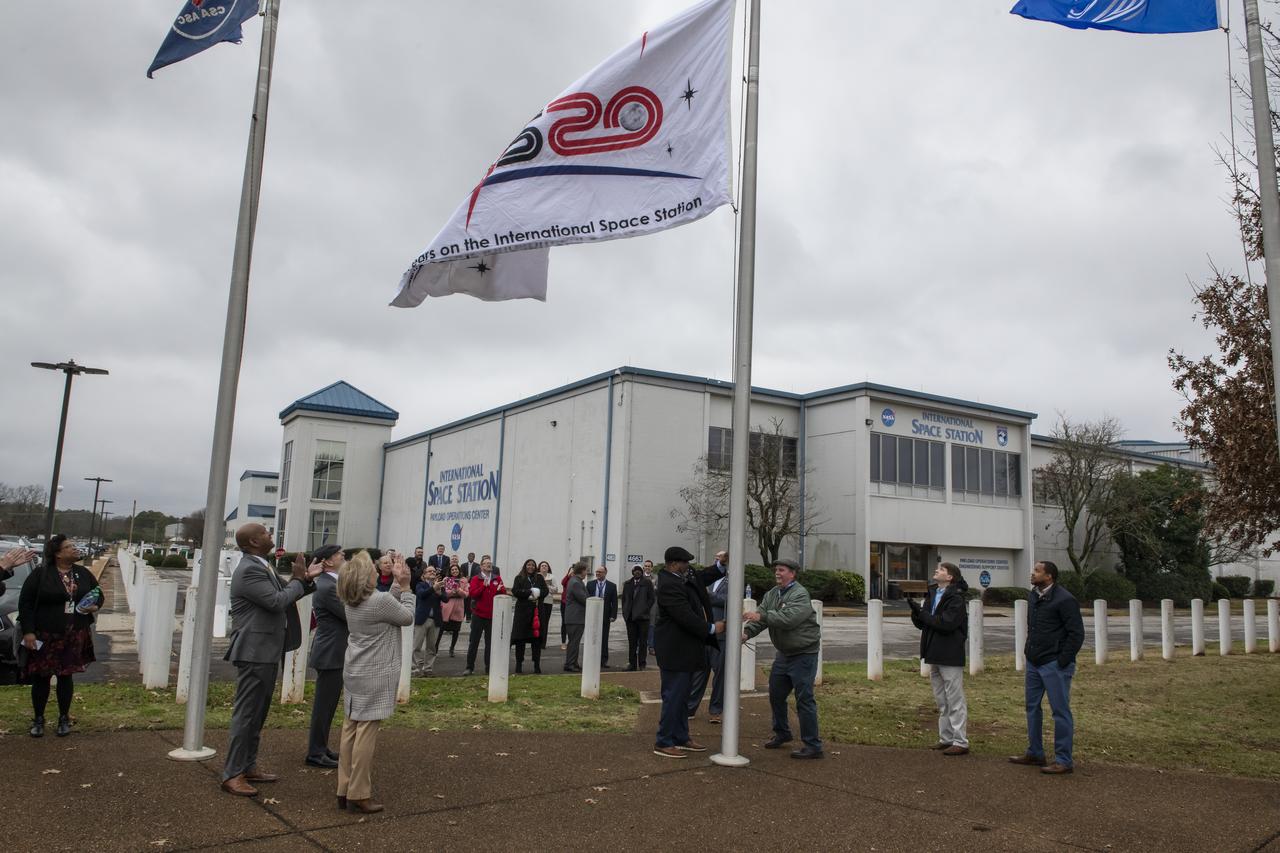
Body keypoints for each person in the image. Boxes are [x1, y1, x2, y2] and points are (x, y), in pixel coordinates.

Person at [221, 523, 322, 797]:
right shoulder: (250, 569)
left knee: (258, 712)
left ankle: (248, 765)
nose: (270, 533)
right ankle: (233, 774)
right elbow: (277, 601)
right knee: (247, 714)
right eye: (265, 532)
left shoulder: (262, 565)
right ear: (254, 542)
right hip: (254, 651)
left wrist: (306, 579)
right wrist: (298, 580)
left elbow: (287, 592)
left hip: (265, 650)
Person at [335, 550, 415, 813]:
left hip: (355, 670)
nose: (376, 570)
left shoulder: (352, 601)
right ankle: (359, 792)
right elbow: (405, 616)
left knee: (350, 728)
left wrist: (395, 583)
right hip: (376, 672)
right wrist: (406, 587)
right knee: (366, 732)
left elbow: (387, 607)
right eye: (372, 568)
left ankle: (344, 787)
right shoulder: (379, 601)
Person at [17, 535, 101, 738]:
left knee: (65, 677)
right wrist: (29, 631)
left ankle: (64, 718)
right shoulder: (41, 574)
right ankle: (38, 719)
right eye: (69, 546)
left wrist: (94, 606)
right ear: (58, 554)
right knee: (41, 678)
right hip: (45, 635)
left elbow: (98, 593)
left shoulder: (82, 573)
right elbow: (25, 604)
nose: (75, 548)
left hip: (73, 634)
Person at [742, 559, 823, 759]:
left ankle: (813, 746)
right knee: (776, 694)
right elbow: (760, 618)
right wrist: (746, 634)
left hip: (804, 654)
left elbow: (789, 619)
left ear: (792, 573)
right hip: (784, 654)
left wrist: (760, 617)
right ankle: (782, 733)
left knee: (804, 699)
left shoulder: (800, 594)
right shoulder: (772, 594)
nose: (777, 573)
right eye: (776, 570)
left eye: (782, 570)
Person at [1009, 560, 1084, 775]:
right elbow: (1032, 627)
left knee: (1060, 711)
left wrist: (1062, 661)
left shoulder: (1065, 599)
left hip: (1054, 664)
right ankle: (1035, 752)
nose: (1032, 573)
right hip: (1034, 662)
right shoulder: (1033, 596)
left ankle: (1063, 759)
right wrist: (1028, 651)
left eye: (1037, 571)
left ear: (1049, 576)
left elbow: (1076, 634)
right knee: (1031, 707)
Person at [653, 546, 723, 759]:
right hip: (675, 651)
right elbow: (684, 615)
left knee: (683, 697)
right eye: (685, 563)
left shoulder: (681, 577)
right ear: (674, 564)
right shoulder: (668, 585)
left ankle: (681, 736)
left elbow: (701, 577)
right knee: (674, 697)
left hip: (687, 650)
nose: (689, 566)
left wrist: (721, 565)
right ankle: (664, 741)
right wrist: (712, 628)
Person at [908, 561, 970, 756]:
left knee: (955, 699)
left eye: (941, 569)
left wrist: (923, 614)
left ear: (950, 577)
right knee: (942, 700)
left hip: (949, 652)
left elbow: (946, 623)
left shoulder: (957, 598)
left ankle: (961, 741)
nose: (937, 570)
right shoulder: (933, 593)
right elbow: (924, 624)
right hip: (933, 651)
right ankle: (946, 738)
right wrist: (916, 613)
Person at [305, 544, 348, 768]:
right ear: (328, 561)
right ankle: (316, 752)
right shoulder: (328, 586)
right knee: (324, 706)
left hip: (333, 650)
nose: (343, 556)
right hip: (331, 652)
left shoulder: (331, 583)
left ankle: (321, 747)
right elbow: (348, 613)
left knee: (328, 705)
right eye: (339, 554)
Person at [689, 550, 729, 722]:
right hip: (704, 632)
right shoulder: (707, 580)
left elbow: (729, 600)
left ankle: (716, 710)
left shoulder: (733, 580)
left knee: (720, 674)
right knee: (699, 672)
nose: (717, 560)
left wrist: (706, 595)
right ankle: (690, 708)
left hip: (720, 635)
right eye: (716, 557)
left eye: (720, 558)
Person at [464, 556, 506, 676]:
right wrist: (483, 586)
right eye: (486, 563)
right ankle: (469, 667)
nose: (489, 564)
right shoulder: (476, 579)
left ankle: (489, 668)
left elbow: (503, 593)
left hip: (492, 616)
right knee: (474, 642)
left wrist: (500, 590)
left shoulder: (497, 578)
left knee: (490, 643)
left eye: (490, 563)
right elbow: (473, 594)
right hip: (478, 615)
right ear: (481, 566)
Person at [511, 558, 549, 673]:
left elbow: (545, 591)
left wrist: (538, 593)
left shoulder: (539, 578)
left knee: (536, 640)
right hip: (522, 614)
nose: (531, 567)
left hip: (536, 613)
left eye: (533, 565)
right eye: (528, 565)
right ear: (525, 566)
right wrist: (529, 592)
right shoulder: (519, 578)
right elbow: (515, 591)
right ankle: (519, 665)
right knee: (520, 640)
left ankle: (537, 665)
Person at [621, 564, 656, 671]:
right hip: (630, 618)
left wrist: (645, 608)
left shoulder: (647, 583)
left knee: (643, 642)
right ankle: (632, 664)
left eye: (639, 570)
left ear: (642, 572)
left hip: (643, 618)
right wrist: (625, 612)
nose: (637, 572)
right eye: (635, 570)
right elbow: (624, 599)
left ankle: (642, 664)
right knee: (632, 642)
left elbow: (651, 598)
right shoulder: (628, 584)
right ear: (632, 572)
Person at [412, 565, 445, 676]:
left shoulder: (439, 585)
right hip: (422, 619)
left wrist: (440, 592)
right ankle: (415, 669)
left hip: (435, 620)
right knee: (417, 645)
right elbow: (421, 594)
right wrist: (433, 588)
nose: (432, 573)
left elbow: (446, 599)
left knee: (431, 647)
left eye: (434, 571)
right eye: (429, 571)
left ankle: (428, 669)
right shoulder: (420, 585)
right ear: (424, 575)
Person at [586, 565, 618, 667]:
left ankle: (603, 660)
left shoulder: (612, 586)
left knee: (604, 638)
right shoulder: (590, 584)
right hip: (592, 615)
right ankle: (591, 659)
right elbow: (586, 599)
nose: (597, 573)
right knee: (592, 637)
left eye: (600, 572)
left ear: (605, 573)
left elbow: (614, 602)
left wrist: (613, 615)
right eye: (597, 572)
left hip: (605, 616)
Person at [562, 562, 588, 672]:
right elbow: (583, 599)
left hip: (574, 617)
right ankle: (570, 664)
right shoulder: (576, 582)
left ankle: (573, 662)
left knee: (574, 641)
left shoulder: (575, 581)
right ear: (581, 570)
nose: (587, 573)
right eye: (586, 570)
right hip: (575, 617)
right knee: (574, 642)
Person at [436, 564, 466, 656]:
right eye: (452, 570)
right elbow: (443, 592)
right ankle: (435, 648)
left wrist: (458, 590)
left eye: (456, 569)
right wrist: (453, 592)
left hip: (458, 608)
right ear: (450, 571)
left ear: (459, 570)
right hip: (447, 607)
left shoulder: (463, 580)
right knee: (440, 630)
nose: (454, 571)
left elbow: (466, 594)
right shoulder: (446, 579)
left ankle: (452, 648)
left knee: (456, 630)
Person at [537, 561, 556, 651]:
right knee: (537, 621)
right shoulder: (536, 576)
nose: (544, 567)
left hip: (548, 601)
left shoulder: (551, 577)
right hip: (538, 601)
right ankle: (535, 641)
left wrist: (547, 586)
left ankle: (543, 643)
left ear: (548, 568)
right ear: (539, 568)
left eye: (546, 566)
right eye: (542, 566)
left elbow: (555, 589)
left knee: (545, 622)